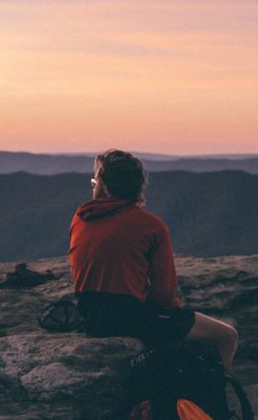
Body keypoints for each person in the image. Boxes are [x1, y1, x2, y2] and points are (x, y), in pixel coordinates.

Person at [68, 149, 238, 371]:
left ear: (103, 187)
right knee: (227, 335)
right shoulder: (151, 226)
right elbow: (164, 294)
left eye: (94, 182)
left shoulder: (81, 218)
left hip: (89, 315)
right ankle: (216, 399)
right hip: (128, 318)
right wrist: (174, 316)